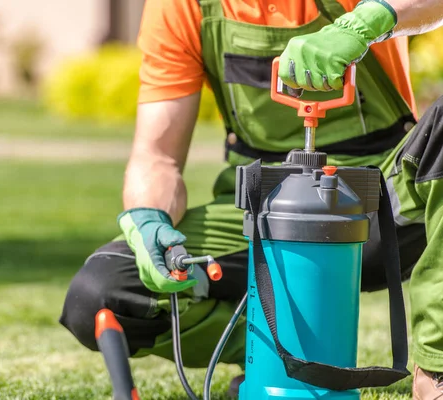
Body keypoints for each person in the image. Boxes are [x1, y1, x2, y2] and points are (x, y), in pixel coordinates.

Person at [60, 0, 443, 398]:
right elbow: (157, 157)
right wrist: (148, 217)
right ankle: (280, 359)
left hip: (383, 202)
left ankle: (436, 370)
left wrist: (366, 21)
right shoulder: (182, 6)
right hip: (262, 215)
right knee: (100, 293)